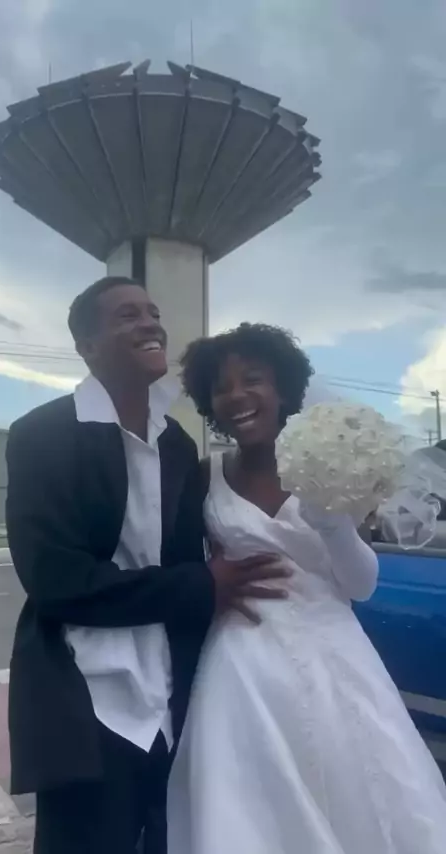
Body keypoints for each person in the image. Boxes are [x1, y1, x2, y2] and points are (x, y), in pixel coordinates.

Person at [5, 280, 290, 854]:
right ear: (87, 346)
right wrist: (199, 584)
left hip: (172, 693)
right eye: (127, 315)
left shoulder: (176, 443)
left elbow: (189, 556)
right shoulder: (42, 435)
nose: (150, 323)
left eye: (154, 312)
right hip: (87, 699)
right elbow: (54, 580)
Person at [168, 322, 446, 854]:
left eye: (253, 379)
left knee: (359, 794)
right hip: (242, 666)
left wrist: (334, 524)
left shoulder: (332, 464)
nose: (237, 395)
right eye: (222, 387)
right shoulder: (207, 475)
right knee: (248, 808)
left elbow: (360, 587)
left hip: (336, 663)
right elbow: (185, 563)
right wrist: (209, 580)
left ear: (283, 389)